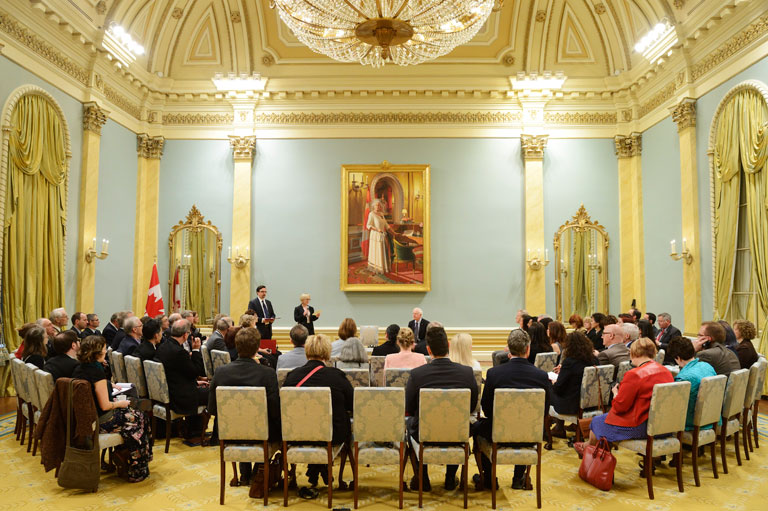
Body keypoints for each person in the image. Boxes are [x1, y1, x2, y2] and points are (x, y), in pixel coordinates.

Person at [472, 328, 552, 490]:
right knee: (523, 427)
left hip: (497, 433)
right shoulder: (541, 376)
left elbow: (486, 408)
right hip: (529, 434)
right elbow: (544, 410)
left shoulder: (494, 373)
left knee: (477, 428)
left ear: (508, 348)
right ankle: (518, 478)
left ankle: (488, 479)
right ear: (528, 350)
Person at [405, 325, 478, 492]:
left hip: (425, 434)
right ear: (448, 347)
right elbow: (472, 406)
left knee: (410, 425)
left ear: (428, 350)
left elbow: (409, 407)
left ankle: (423, 479)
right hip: (457, 433)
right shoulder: (467, 373)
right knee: (460, 426)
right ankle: (450, 479)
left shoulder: (417, 375)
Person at [72, 335, 152, 482]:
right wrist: (120, 404)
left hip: (86, 416)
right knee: (139, 418)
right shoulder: (97, 371)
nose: (107, 350)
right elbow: (105, 405)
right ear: (98, 352)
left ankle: (126, 454)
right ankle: (135, 465)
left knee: (136, 416)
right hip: (100, 418)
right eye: (104, 348)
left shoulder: (80, 367)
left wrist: (108, 385)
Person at [208, 327, 281, 485]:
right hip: (262, 434)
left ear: (236, 346)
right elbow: (275, 411)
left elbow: (213, 409)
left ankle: (245, 474)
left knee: (243, 425)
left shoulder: (221, 372)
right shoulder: (267, 374)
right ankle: (258, 472)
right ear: (257, 348)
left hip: (230, 435)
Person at [283, 334, 353, 488]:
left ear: (307, 351)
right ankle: (321, 465)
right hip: (331, 435)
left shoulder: (292, 376)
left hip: (297, 434)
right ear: (328, 353)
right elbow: (352, 405)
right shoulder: (336, 376)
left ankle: (316, 467)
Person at [578, 338, 673, 451]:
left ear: (632, 353)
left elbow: (619, 407)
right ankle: (589, 447)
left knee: (596, 421)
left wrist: (616, 393)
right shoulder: (665, 371)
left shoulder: (634, 374)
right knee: (600, 420)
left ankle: (591, 452)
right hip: (665, 425)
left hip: (642, 426)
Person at [154, 319, 208, 436]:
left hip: (171, 390)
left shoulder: (163, 346)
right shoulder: (179, 352)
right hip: (180, 397)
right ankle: (196, 430)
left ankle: (192, 428)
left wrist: (195, 382)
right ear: (185, 335)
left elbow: (180, 372)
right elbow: (195, 371)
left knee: (204, 388)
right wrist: (195, 350)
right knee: (213, 392)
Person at [667, 336, 717, 431]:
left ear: (678, 358)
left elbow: (675, 406)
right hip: (711, 417)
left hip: (691, 423)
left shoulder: (684, 378)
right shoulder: (707, 366)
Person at [551, 332, 597, 416]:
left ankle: (557, 427)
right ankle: (559, 426)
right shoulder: (594, 360)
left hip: (571, 405)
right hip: (591, 402)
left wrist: (553, 382)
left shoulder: (569, 362)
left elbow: (559, 388)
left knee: (548, 392)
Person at [366, 199, 392, 273]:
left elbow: (386, 224)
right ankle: (377, 268)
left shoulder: (381, 214)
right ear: (373, 206)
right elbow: (368, 225)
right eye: (377, 205)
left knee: (382, 251)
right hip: (375, 235)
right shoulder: (371, 214)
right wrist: (377, 229)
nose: (378, 206)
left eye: (379, 205)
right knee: (377, 251)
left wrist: (393, 232)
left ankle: (383, 267)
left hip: (382, 235)